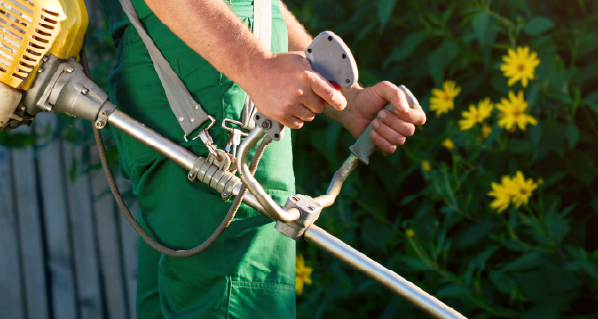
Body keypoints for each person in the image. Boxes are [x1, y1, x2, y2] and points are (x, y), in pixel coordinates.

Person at [96, 0, 427, 317]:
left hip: (194, 76)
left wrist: (346, 101)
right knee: (236, 300)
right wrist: (254, 66)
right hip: (212, 92)